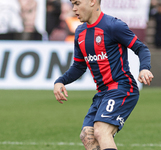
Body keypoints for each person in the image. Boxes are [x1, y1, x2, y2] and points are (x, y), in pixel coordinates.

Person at [53, 0, 154, 150]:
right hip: (103, 93)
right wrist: (61, 81)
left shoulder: (113, 26)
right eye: (72, 4)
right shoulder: (80, 32)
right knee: (87, 136)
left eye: (77, 3)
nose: (74, 9)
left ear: (93, 2)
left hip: (122, 87)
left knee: (101, 131)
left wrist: (144, 68)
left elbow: (141, 48)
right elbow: (79, 66)